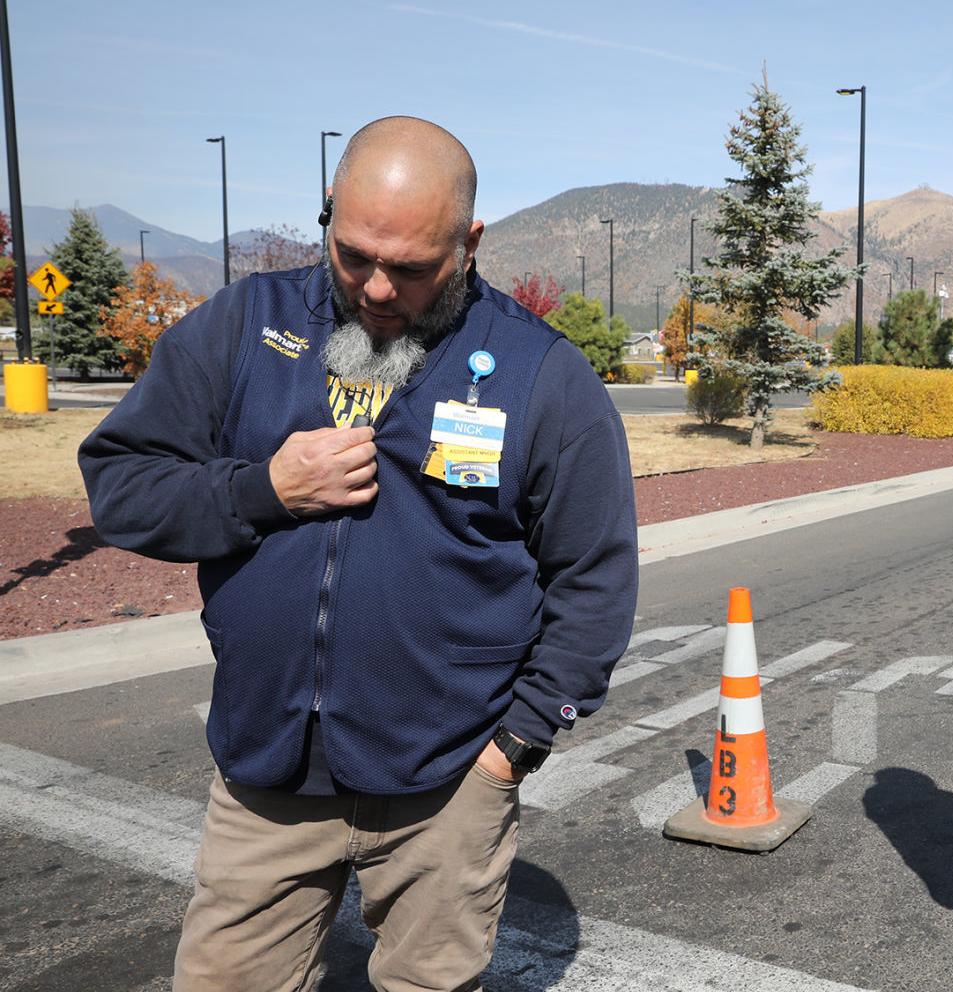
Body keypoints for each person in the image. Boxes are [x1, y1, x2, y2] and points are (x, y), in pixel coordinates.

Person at [79, 116, 638, 992]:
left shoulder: (541, 374)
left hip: (446, 789)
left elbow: (594, 579)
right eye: (352, 255)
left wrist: (514, 748)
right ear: (328, 214)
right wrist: (263, 489)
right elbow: (121, 488)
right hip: (264, 775)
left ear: (469, 242)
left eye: (411, 267)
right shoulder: (242, 328)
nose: (376, 288)